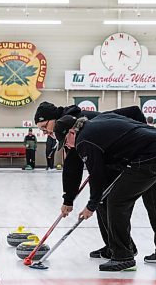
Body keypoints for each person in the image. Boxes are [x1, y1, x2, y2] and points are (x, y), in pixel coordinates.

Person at [54, 113, 156, 271]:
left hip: (151, 155)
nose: (69, 147)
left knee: (117, 201)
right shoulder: (94, 124)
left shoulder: (84, 140)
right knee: (154, 201)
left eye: (65, 142)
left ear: (72, 132)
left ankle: (123, 256)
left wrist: (91, 206)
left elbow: (96, 176)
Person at [35, 101, 147, 260]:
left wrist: (142, 139)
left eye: (44, 127)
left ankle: (125, 248)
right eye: (41, 129)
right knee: (101, 203)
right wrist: (68, 199)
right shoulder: (65, 128)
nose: (45, 132)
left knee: (108, 203)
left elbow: (134, 111)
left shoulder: (75, 123)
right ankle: (112, 246)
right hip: (106, 162)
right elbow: (72, 166)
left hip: (124, 160)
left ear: (53, 118)